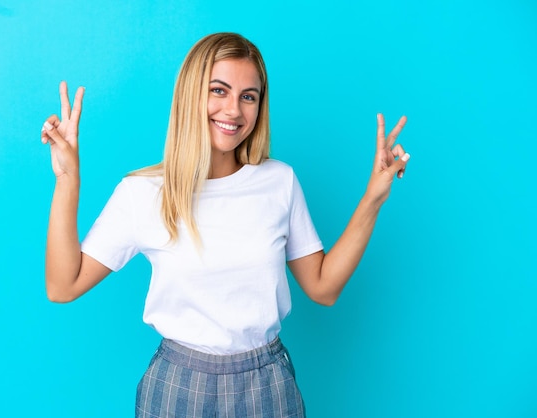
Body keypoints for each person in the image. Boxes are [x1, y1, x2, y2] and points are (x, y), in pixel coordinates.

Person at [41, 32, 409, 418]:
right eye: (219, 90)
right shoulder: (142, 193)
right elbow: (63, 286)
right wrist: (68, 180)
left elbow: (323, 287)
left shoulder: (278, 181)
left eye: (248, 96)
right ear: (191, 94)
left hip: (268, 385)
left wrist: (373, 197)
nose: (233, 110)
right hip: (178, 386)